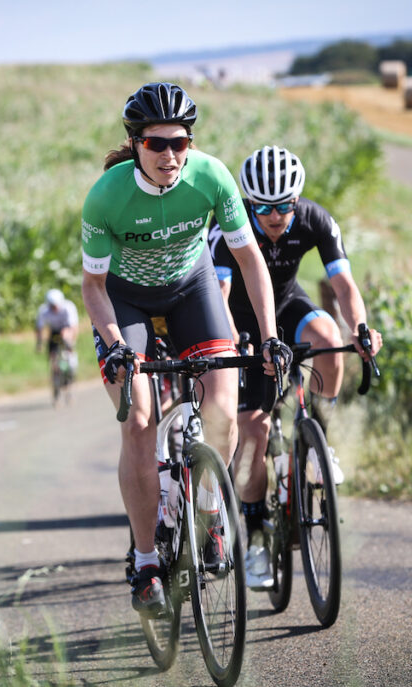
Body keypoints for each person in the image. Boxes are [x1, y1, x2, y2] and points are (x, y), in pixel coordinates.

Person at [81, 83, 290, 616]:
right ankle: (148, 560)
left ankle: (209, 513)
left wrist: (268, 334)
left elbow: (249, 262)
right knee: (139, 419)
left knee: (224, 406)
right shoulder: (107, 196)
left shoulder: (211, 176)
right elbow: (94, 288)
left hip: (190, 290)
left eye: (179, 142)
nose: (170, 155)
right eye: (156, 144)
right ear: (136, 145)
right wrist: (114, 348)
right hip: (125, 301)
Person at [208, 145, 383, 590]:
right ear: (249, 203)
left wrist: (361, 328)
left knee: (328, 338)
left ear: (296, 200)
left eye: (284, 206)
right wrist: (240, 345)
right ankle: (257, 538)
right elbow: (221, 297)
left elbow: (343, 283)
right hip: (241, 323)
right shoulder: (230, 224)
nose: (275, 216)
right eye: (263, 207)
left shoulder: (315, 220)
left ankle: (319, 434)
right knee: (253, 431)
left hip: (286, 303)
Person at [35, 288, 79, 400]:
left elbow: (74, 327)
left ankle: (70, 370)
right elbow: (39, 329)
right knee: (53, 358)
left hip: (66, 330)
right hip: (54, 332)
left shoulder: (68, 307)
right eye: (52, 306)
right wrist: (39, 344)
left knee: (66, 339)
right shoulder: (44, 310)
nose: (54, 309)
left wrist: (71, 342)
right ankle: (55, 379)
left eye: (56, 306)